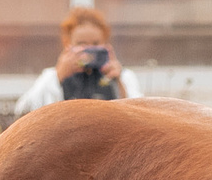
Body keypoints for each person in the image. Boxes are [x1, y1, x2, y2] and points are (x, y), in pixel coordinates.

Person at [15, 6, 144, 114]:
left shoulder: (124, 76)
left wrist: (119, 82)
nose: (89, 51)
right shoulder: (52, 76)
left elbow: (141, 114)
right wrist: (58, 76)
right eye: (82, 44)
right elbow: (23, 111)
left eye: (95, 44)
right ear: (67, 44)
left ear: (106, 43)